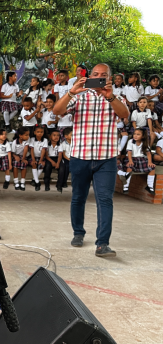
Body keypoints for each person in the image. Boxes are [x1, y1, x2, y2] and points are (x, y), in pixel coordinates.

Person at [53, 63, 130, 258]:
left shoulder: (116, 98)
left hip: (106, 159)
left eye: (103, 75)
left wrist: (109, 96)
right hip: (81, 157)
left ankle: (102, 244)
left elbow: (124, 115)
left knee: (105, 200)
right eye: (95, 74)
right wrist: (71, 91)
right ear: (89, 76)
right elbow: (57, 110)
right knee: (78, 197)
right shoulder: (79, 97)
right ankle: (78, 233)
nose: (99, 77)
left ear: (109, 78)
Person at [118, 128, 156, 194]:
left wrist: (150, 162)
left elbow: (148, 153)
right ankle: (126, 186)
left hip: (141, 159)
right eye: (134, 134)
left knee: (152, 168)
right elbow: (129, 152)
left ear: (143, 136)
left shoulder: (144, 143)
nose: (135, 135)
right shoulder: (131, 141)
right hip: (131, 158)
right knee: (129, 168)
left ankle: (150, 186)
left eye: (138, 134)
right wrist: (130, 161)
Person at [29, 125, 48, 190]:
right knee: (34, 164)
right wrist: (33, 160)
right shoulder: (32, 139)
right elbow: (31, 150)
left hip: (41, 157)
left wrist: (41, 160)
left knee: (42, 164)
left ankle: (34, 180)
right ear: (34, 132)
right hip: (33, 156)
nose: (40, 133)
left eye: (41, 132)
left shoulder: (45, 140)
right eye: (38, 132)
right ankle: (37, 182)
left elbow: (43, 150)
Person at [57, 127, 72, 193]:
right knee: (66, 167)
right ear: (66, 136)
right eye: (72, 135)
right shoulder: (63, 144)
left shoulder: (75, 143)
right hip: (66, 158)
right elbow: (63, 155)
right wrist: (69, 159)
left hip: (74, 158)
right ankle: (64, 182)